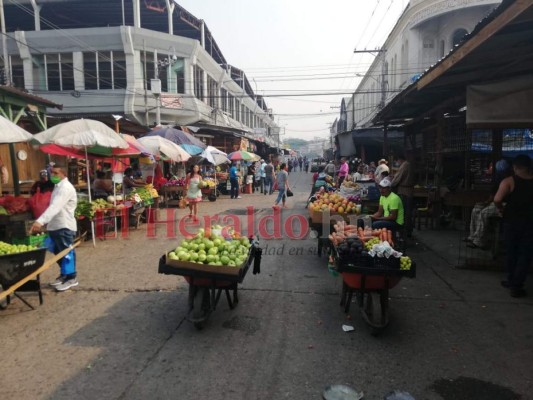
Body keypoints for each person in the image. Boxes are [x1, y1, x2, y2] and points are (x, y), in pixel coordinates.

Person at [30, 164, 78, 292]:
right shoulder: (57, 187)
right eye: (52, 173)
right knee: (57, 252)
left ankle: (71, 277)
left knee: (67, 253)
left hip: (64, 225)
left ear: (64, 174)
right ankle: (64, 274)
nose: (53, 175)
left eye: (56, 173)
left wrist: (40, 221)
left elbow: (55, 207)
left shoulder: (65, 188)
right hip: (55, 226)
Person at [494, 155, 533, 298]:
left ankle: (512, 281)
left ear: (515, 167)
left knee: (511, 252)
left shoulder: (509, 181)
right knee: (525, 255)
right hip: (530, 224)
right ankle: (516, 284)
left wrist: (500, 208)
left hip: (511, 222)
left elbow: (497, 199)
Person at [390, 153, 415, 237]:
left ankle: (405, 230)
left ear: (399, 159)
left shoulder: (404, 165)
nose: (397, 163)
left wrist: (391, 184)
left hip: (405, 192)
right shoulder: (408, 165)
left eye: (397, 161)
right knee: (408, 212)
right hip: (408, 191)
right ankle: (408, 230)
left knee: (404, 212)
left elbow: (397, 178)